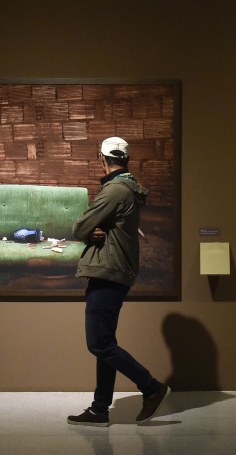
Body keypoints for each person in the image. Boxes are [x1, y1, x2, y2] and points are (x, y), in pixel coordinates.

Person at [67, 137, 170, 427]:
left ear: (102, 158)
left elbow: (80, 227)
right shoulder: (128, 187)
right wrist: (97, 231)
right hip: (115, 270)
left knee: (98, 343)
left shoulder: (114, 190)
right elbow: (98, 228)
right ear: (125, 159)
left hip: (107, 270)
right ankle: (100, 409)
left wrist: (90, 231)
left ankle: (151, 387)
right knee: (106, 342)